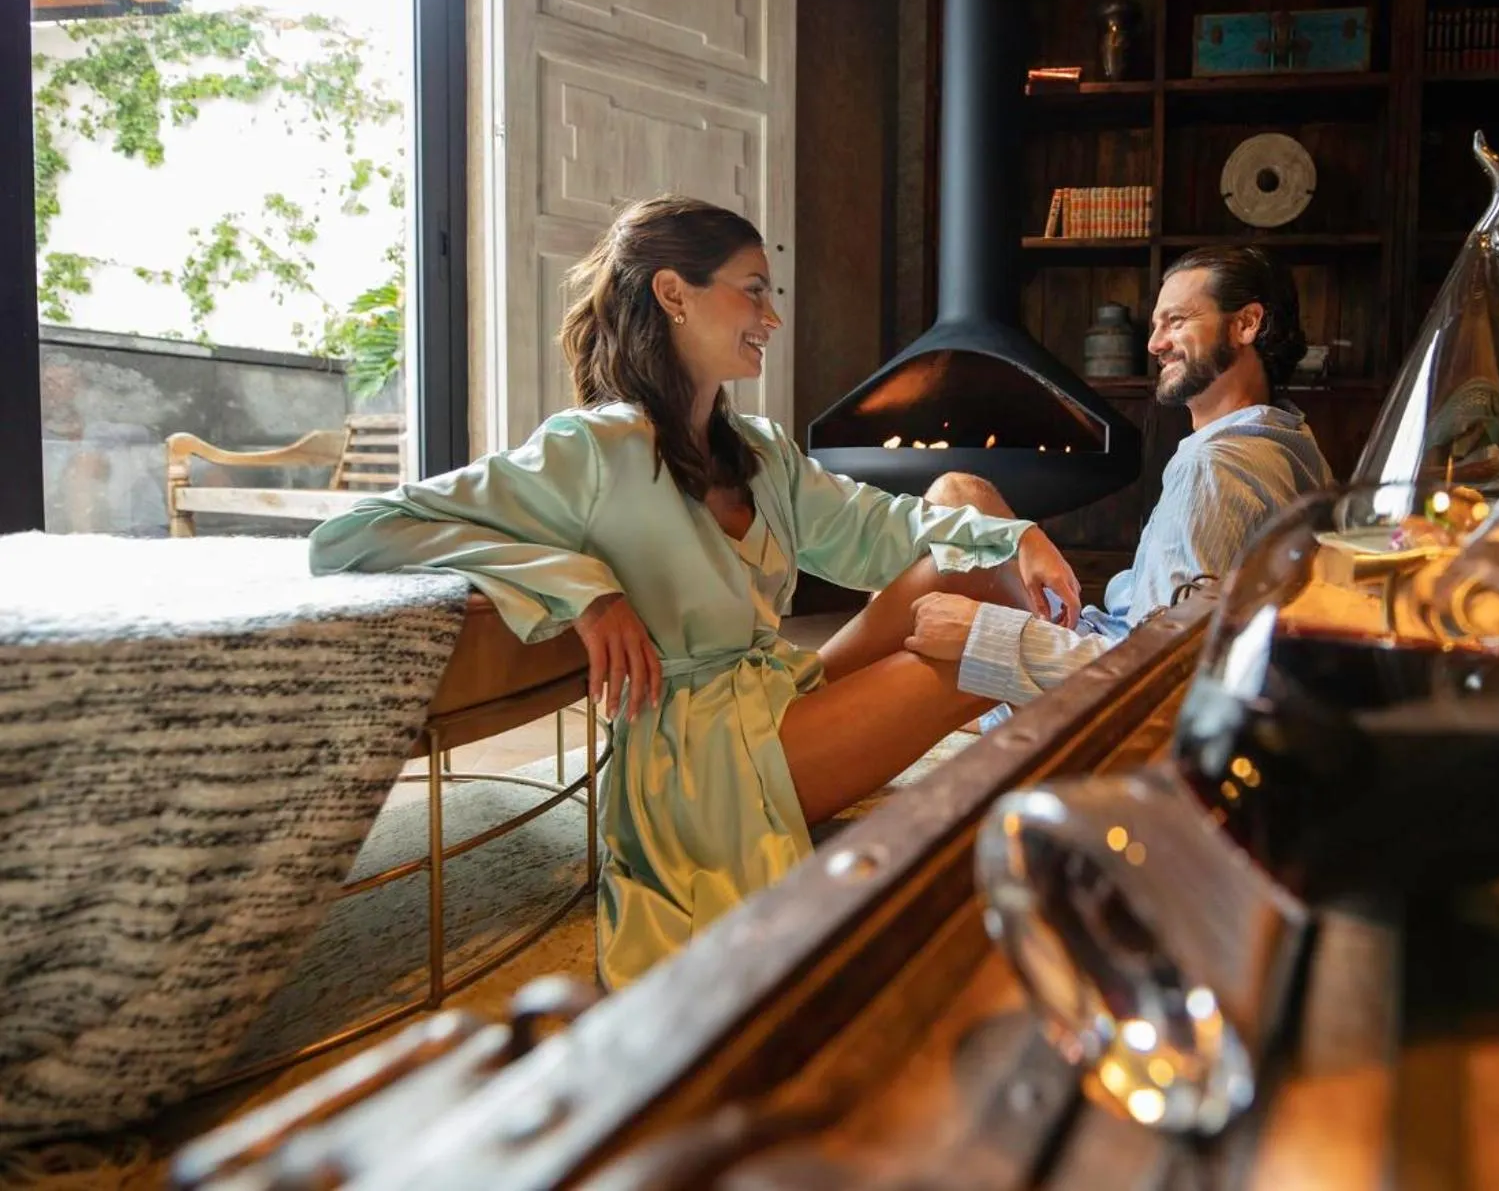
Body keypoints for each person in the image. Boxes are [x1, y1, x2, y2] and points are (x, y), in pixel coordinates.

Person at [309, 195, 1080, 988]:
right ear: (674, 294)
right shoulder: (596, 449)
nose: (771, 316)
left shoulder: (758, 450)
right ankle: (1079, 771)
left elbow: (878, 526)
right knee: (977, 652)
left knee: (971, 526)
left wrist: (1014, 536)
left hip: (774, 695)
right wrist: (585, 590)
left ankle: (1053, 695)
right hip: (697, 762)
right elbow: (360, 530)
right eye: (753, 288)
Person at [902, 246, 1332, 710]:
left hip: (1099, 689)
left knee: (935, 597)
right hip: (1103, 631)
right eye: (1155, 326)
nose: (1155, 344)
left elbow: (1160, 672)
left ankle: (856, 690)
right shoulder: (1291, 439)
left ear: (1246, 324)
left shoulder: (1216, 466)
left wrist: (981, 635)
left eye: (1177, 321)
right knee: (960, 492)